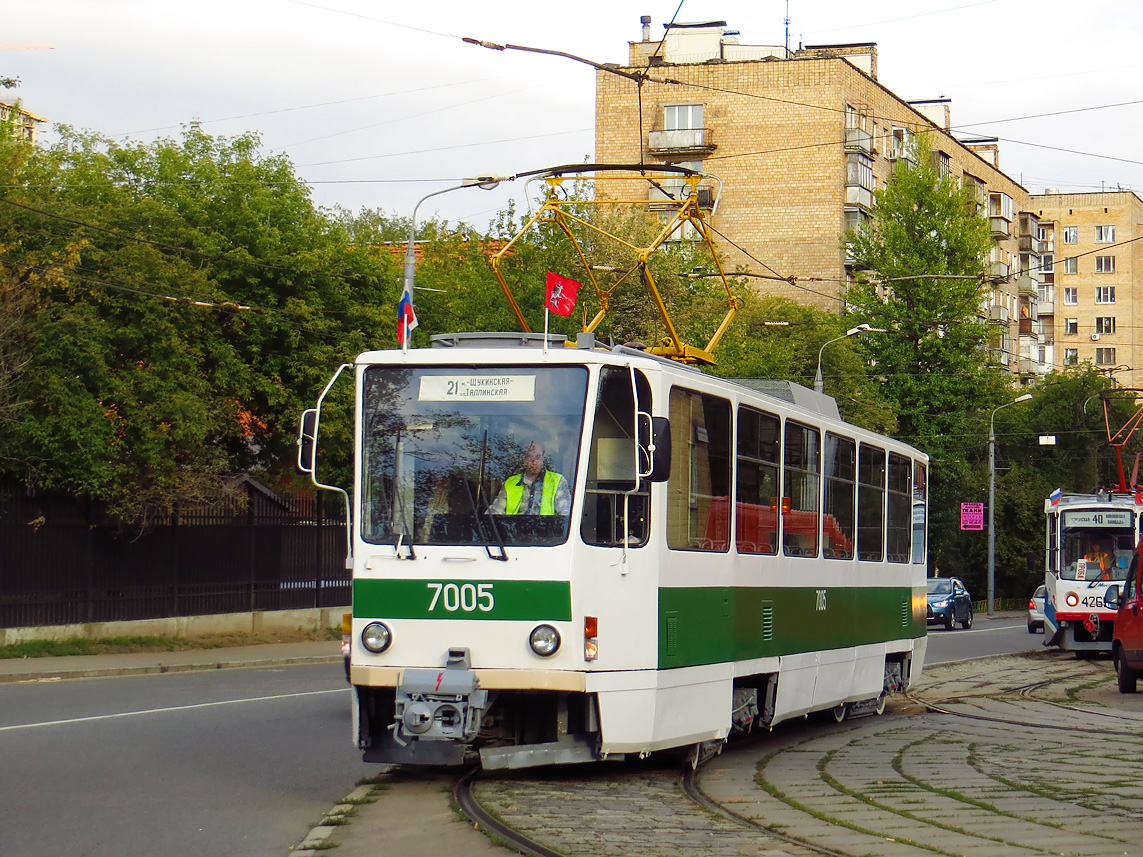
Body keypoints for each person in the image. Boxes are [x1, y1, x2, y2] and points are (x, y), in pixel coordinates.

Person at [489, 441, 571, 516]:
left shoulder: (557, 481)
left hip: (546, 531)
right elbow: (494, 514)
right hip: (512, 530)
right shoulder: (510, 483)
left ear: (543, 457)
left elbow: (565, 515)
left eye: (538, 456)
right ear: (523, 459)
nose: (534, 461)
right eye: (529, 457)